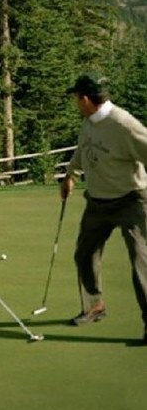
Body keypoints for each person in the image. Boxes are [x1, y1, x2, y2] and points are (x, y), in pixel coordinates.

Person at [61, 72, 147, 344]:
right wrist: (71, 174)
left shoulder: (123, 124)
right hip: (97, 202)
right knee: (84, 254)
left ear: (86, 99)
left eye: (77, 97)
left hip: (131, 200)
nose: (76, 102)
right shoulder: (89, 122)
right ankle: (95, 306)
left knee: (141, 260)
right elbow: (83, 149)